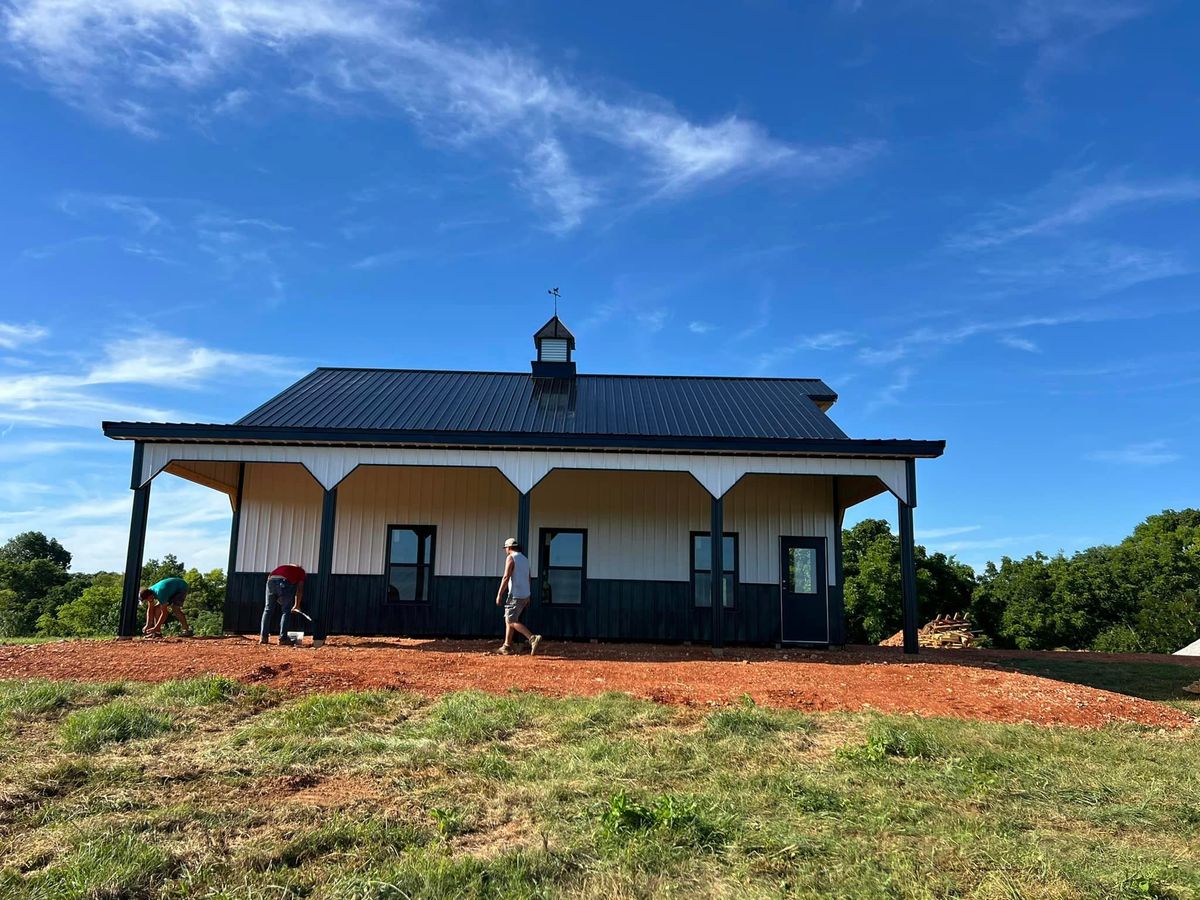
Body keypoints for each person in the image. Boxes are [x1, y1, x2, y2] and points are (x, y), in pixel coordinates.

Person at [495, 537, 541, 655]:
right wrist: (528, 595)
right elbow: (528, 578)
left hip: (515, 594)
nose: (505, 550)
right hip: (525, 594)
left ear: (509, 548)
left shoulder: (511, 558)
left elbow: (506, 577)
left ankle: (532, 638)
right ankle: (507, 646)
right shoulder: (525, 559)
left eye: (505, 548)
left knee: (511, 620)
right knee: (509, 618)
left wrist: (499, 594)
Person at [262, 564, 306, 646]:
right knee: (286, 611)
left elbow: (270, 577)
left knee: (267, 610)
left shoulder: (282, 567)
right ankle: (283, 639)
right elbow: (299, 590)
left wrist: (278, 598)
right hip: (284, 582)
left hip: (270, 581)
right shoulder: (301, 571)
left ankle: (263, 638)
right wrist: (297, 605)